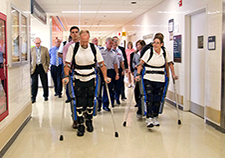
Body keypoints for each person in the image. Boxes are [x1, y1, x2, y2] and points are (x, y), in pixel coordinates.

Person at [63, 30, 110, 137]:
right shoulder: (73, 48)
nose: (84, 44)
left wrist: (105, 76)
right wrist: (66, 76)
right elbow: (67, 64)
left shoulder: (94, 48)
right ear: (79, 39)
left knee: (90, 102)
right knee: (79, 103)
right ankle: (80, 124)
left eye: (86, 41)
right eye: (82, 41)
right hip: (78, 78)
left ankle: (89, 120)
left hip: (91, 78)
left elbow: (102, 64)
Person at [135, 35, 178, 128]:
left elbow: (170, 63)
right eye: (154, 42)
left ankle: (155, 117)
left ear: (161, 44)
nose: (155, 44)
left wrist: (173, 74)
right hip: (148, 78)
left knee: (157, 99)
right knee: (149, 98)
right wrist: (138, 74)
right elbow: (141, 64)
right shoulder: (149, 51)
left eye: (157, 43)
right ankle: (149, 118)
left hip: (160, 79)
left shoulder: (164, 52)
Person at [62, 26, 80, 129]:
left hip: (83, 73)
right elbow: (66, 63)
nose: (74, 34)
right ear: (70, 34)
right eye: (72, 32)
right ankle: (75, 119)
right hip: (72, 73)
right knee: (74, 97)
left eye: (76, 32)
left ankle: (84, 116)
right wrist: (67, 75)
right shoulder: (67, 47)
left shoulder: (84, 45)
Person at [100, 37, 119, 111]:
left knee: (109, 89)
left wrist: (117, 73)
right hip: (101, 71)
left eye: (112, 43)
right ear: (106, 43)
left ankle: (106, 105)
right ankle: (98, 106)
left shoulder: (114, 53)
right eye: (110, 43)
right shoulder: (101, 51)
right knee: (99, 89)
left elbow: (115, 64)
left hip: (110, 71)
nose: (111, 45)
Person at [31, 37, 50, 103]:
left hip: (42, 67)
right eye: (36, 43)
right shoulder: (31, 49)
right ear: (34, 43)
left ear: (40, 42)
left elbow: (48, 58)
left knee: (44, 82)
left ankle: (45, 96)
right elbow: (30, 59)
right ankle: (33, 97)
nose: (37, 45)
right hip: (34, 67)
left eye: (38, 43)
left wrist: (47, 66)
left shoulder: (45, 49)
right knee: (34, 83)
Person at [130, 40, 146, 118]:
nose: (137, 46)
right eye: (136, 45)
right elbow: (132, 62)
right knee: (137, 89)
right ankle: (137, 102)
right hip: (137, 73)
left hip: (144, 73)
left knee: (142, 91)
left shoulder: (146, 53)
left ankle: (142, 107)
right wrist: (135, 66)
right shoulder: (135, 54)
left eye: (139, 45)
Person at [113, 36, 128, 100]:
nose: (115, 43)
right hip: (112, 69)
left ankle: (121, 96)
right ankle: (113, 97)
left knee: (120, 84)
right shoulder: (109, 50)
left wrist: (124, 69)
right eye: (114, 41)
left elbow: (124, 60)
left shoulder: (121, 50)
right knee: (113, 85)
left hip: (119, 69)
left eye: (116, 41)